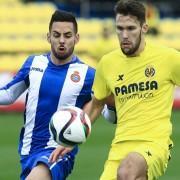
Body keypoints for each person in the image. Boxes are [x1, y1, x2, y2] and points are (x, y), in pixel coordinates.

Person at [50, 0, 180, 179]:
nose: (124, 35)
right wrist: (72, 138)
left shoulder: (169, 58)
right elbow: (96, 105)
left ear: (144, 28)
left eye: (131, 28)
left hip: (154, 143)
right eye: (120, 28)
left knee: (127, 172)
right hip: (119, 147)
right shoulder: (108, 63)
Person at [0, 10, 116, 180]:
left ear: (76, 38)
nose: (62, 40)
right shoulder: (33, 63)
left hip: (59, 153)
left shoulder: (88, 75)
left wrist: (113, 103)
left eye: (68, 35)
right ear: (49, 37)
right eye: (57, 35)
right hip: (28, 151)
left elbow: (109, 116)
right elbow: (8, 94)